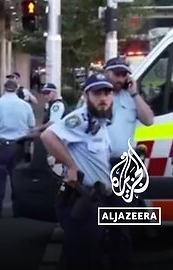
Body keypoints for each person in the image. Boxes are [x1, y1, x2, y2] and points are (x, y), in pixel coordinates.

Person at [40, 73, 115, 270]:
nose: (103, 98)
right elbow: (48, 136)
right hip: (82, 199)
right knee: (82, 257)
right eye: (97, 93)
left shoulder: (100, 121)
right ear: (86, 95)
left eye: (107, 93)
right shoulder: (80, 118)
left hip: (98, 198)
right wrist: (71, 166)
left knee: (93, 254)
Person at [103, 57, 154, 267]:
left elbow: (149, 120)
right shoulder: (95, 96)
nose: (120, 77)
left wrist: (134, 93)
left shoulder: (130, 98)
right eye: (116, 73)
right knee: (95, 223)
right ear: (106, 73)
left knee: (122, 225)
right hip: (99, 166)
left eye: (124, 74)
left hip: (125, 167)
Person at [0, 80, 36, 218]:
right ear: (16, 89)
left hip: (1, 145)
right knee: (17, 179)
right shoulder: (25, 105)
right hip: (20, 145)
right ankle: (19, 210)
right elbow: (32, 126)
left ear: (3, 89)